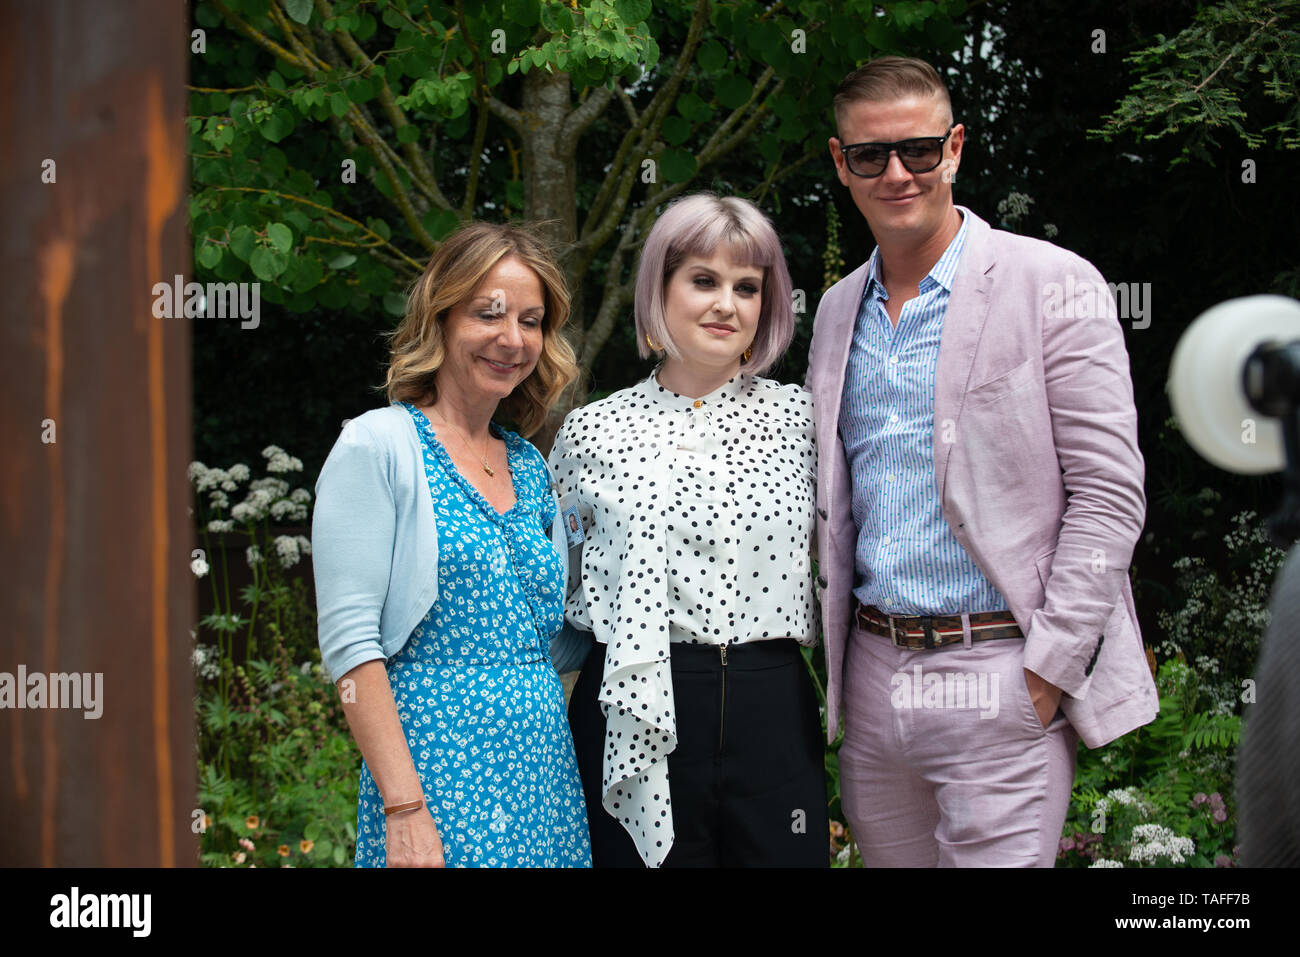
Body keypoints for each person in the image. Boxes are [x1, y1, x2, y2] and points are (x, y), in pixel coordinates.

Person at [806, 56, 1158, 866]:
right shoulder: (831, 312)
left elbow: (1109, 495)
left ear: (955, 148)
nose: (897, 173)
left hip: (1003, 672)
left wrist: (1048, 672)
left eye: (919, 150)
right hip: (874, 677)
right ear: (841, 163)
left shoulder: (1052, 282)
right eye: (871, 156)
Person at [548, 193, 828, 867]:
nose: (726, 304)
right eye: (703, 280)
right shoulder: (592, 430)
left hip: (773, 706)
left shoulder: (806, 420)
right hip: (633, 699)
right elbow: (556, 583)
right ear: (659, 290)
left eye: (747, 287)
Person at [312, 221, 591, 867]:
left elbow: (550, 633)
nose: (511, 338)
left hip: (541, 773)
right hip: (436, 768)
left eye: (530, 320)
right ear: (440, 318)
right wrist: (404, 808)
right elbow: (351, 646)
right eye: (487, 313)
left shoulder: (527, 463)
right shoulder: (377, 446)